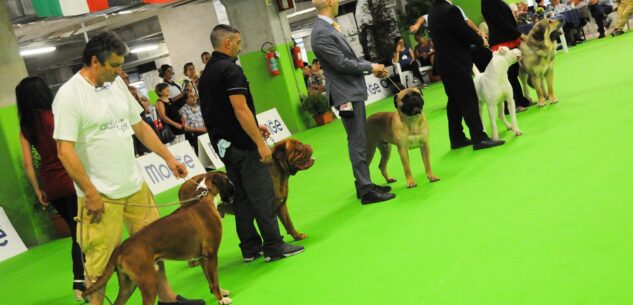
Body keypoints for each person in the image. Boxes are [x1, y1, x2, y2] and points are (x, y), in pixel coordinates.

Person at [52, 30, 201, 305]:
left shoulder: (117, 85)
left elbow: (140, 127)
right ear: (95, 61)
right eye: (114, 65)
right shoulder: (69, 95)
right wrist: (90, 193)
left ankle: (166, 298)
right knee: (98, 260)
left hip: (135, 186)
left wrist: (168, 158)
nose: (119, 71)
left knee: (156, 246)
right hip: (99, 195)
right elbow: (65, 151)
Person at [199, 24, 305, 262]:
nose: (240, 46)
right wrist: (259, 142)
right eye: (237, 42)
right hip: (243, 146)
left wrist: (254, 126)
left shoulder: (206, 74)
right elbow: (239, 108)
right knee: (263, 193)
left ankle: (250, 248)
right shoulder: (231, 70)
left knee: (242, 197)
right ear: (227, 43)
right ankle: (274, 246)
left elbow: (219, 112)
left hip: (223, 145)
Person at [311, 0, 396, 204]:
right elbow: (341, 63)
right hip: (345, 94)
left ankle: (363, 183)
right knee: (357, 141)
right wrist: (371, 66)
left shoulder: (327, 28)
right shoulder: (322, 32)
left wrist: (370, 67)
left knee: (359, 139)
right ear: (330, 2)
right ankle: (366, 189)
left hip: (349, 91)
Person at [16, 77, 86, 302]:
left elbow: (28, 163)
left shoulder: (25, 128)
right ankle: (80, 280)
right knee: (81, 232)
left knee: (77, 230)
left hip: (51, 185)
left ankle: (91, 273)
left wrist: (38, 190)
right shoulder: (55, 116)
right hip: (71, 179)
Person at [428, 0, 505, 150]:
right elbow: (463, 31)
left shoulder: (433, 12)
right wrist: (480, 40)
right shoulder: (451, 10)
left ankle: (457, 138)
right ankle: (479, 138)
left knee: (454, 101)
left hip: (443, 62)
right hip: (456, 61)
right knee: (468, 98)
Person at [482, 0, 533, 112]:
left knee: (513, 74)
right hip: (501, 41)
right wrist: (519, 34)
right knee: (509, 75)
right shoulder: (488, 2)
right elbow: (501, 22)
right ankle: (511, 105)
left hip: (508, 38)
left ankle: (520, 100)